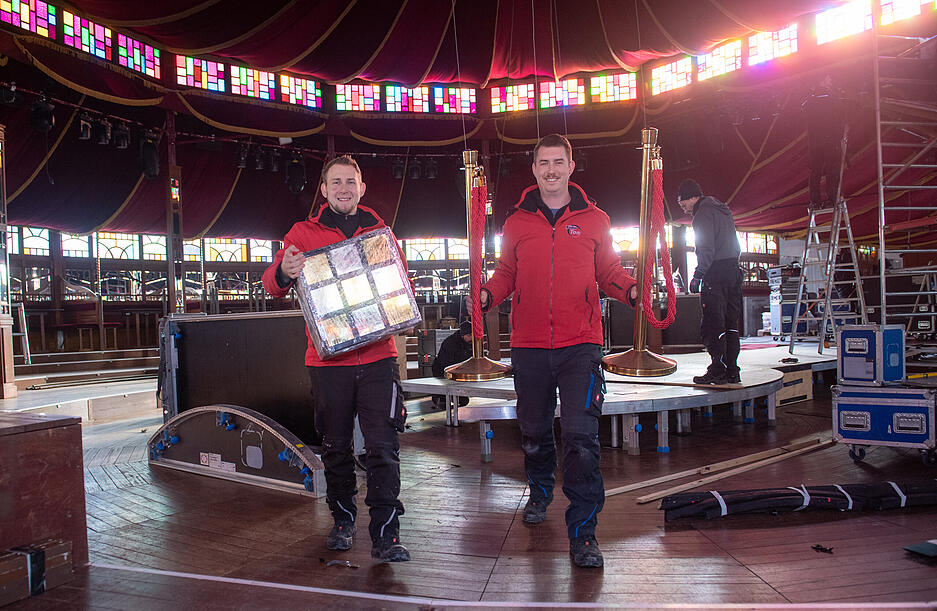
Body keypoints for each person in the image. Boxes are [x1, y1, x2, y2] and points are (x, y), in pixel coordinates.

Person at [479, 133, 638, 569]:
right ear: (534, 169)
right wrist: (487, 295)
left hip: (580, 347)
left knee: (581, 439)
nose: (551, 170)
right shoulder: (514, 223)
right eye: (543, 163)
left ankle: (584, 533)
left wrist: (633, 290)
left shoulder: (595, 219)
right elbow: (506, 272)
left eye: (558, 162)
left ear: (571, 167)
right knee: (532, 434)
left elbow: (609, 271)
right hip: (528, 345)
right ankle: (540, 491)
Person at [262, 155, 410, 563]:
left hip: (380, 358)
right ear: (324, 190)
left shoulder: (380, 231)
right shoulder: (302, 233)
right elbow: (272, 282)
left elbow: (401, 286)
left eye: (351, 181)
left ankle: (386, 532)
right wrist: (286, 269)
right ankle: (342, 520)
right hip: (327, 364)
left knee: (383, 447)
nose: (344, 188)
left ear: (361, 188)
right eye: (336, 182)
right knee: (337, 448)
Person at [678, 178, 742, 385]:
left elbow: (706, 248)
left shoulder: (703, 214)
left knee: (714, 324)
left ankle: (718, 370)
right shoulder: (722, 209)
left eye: (683, 204)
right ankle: (732, 370)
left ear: (692, 197)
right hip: (733, 271)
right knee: (731, 323)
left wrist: (698, 275)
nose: (685, 209)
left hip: (716, 273)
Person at [802, 74, 847, 207]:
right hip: (830, 140)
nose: (831, 80)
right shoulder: (833, 99)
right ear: (821, 81)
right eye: (828, 78)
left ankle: (815, 201)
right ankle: (833, 198)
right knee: (832, 169)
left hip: (814, 143)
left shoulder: (808, 101)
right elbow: (842, 114)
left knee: (815, 172)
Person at [430, 320, 473, 408]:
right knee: (444, 399)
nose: (471, 338)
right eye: (469, 335)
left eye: (472, 335)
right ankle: (439, 397)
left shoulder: (469, 342)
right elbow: (447, 363)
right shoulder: (450, 343)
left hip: (458, 369)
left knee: (464, 401)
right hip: (443, 369)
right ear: (462, 335)